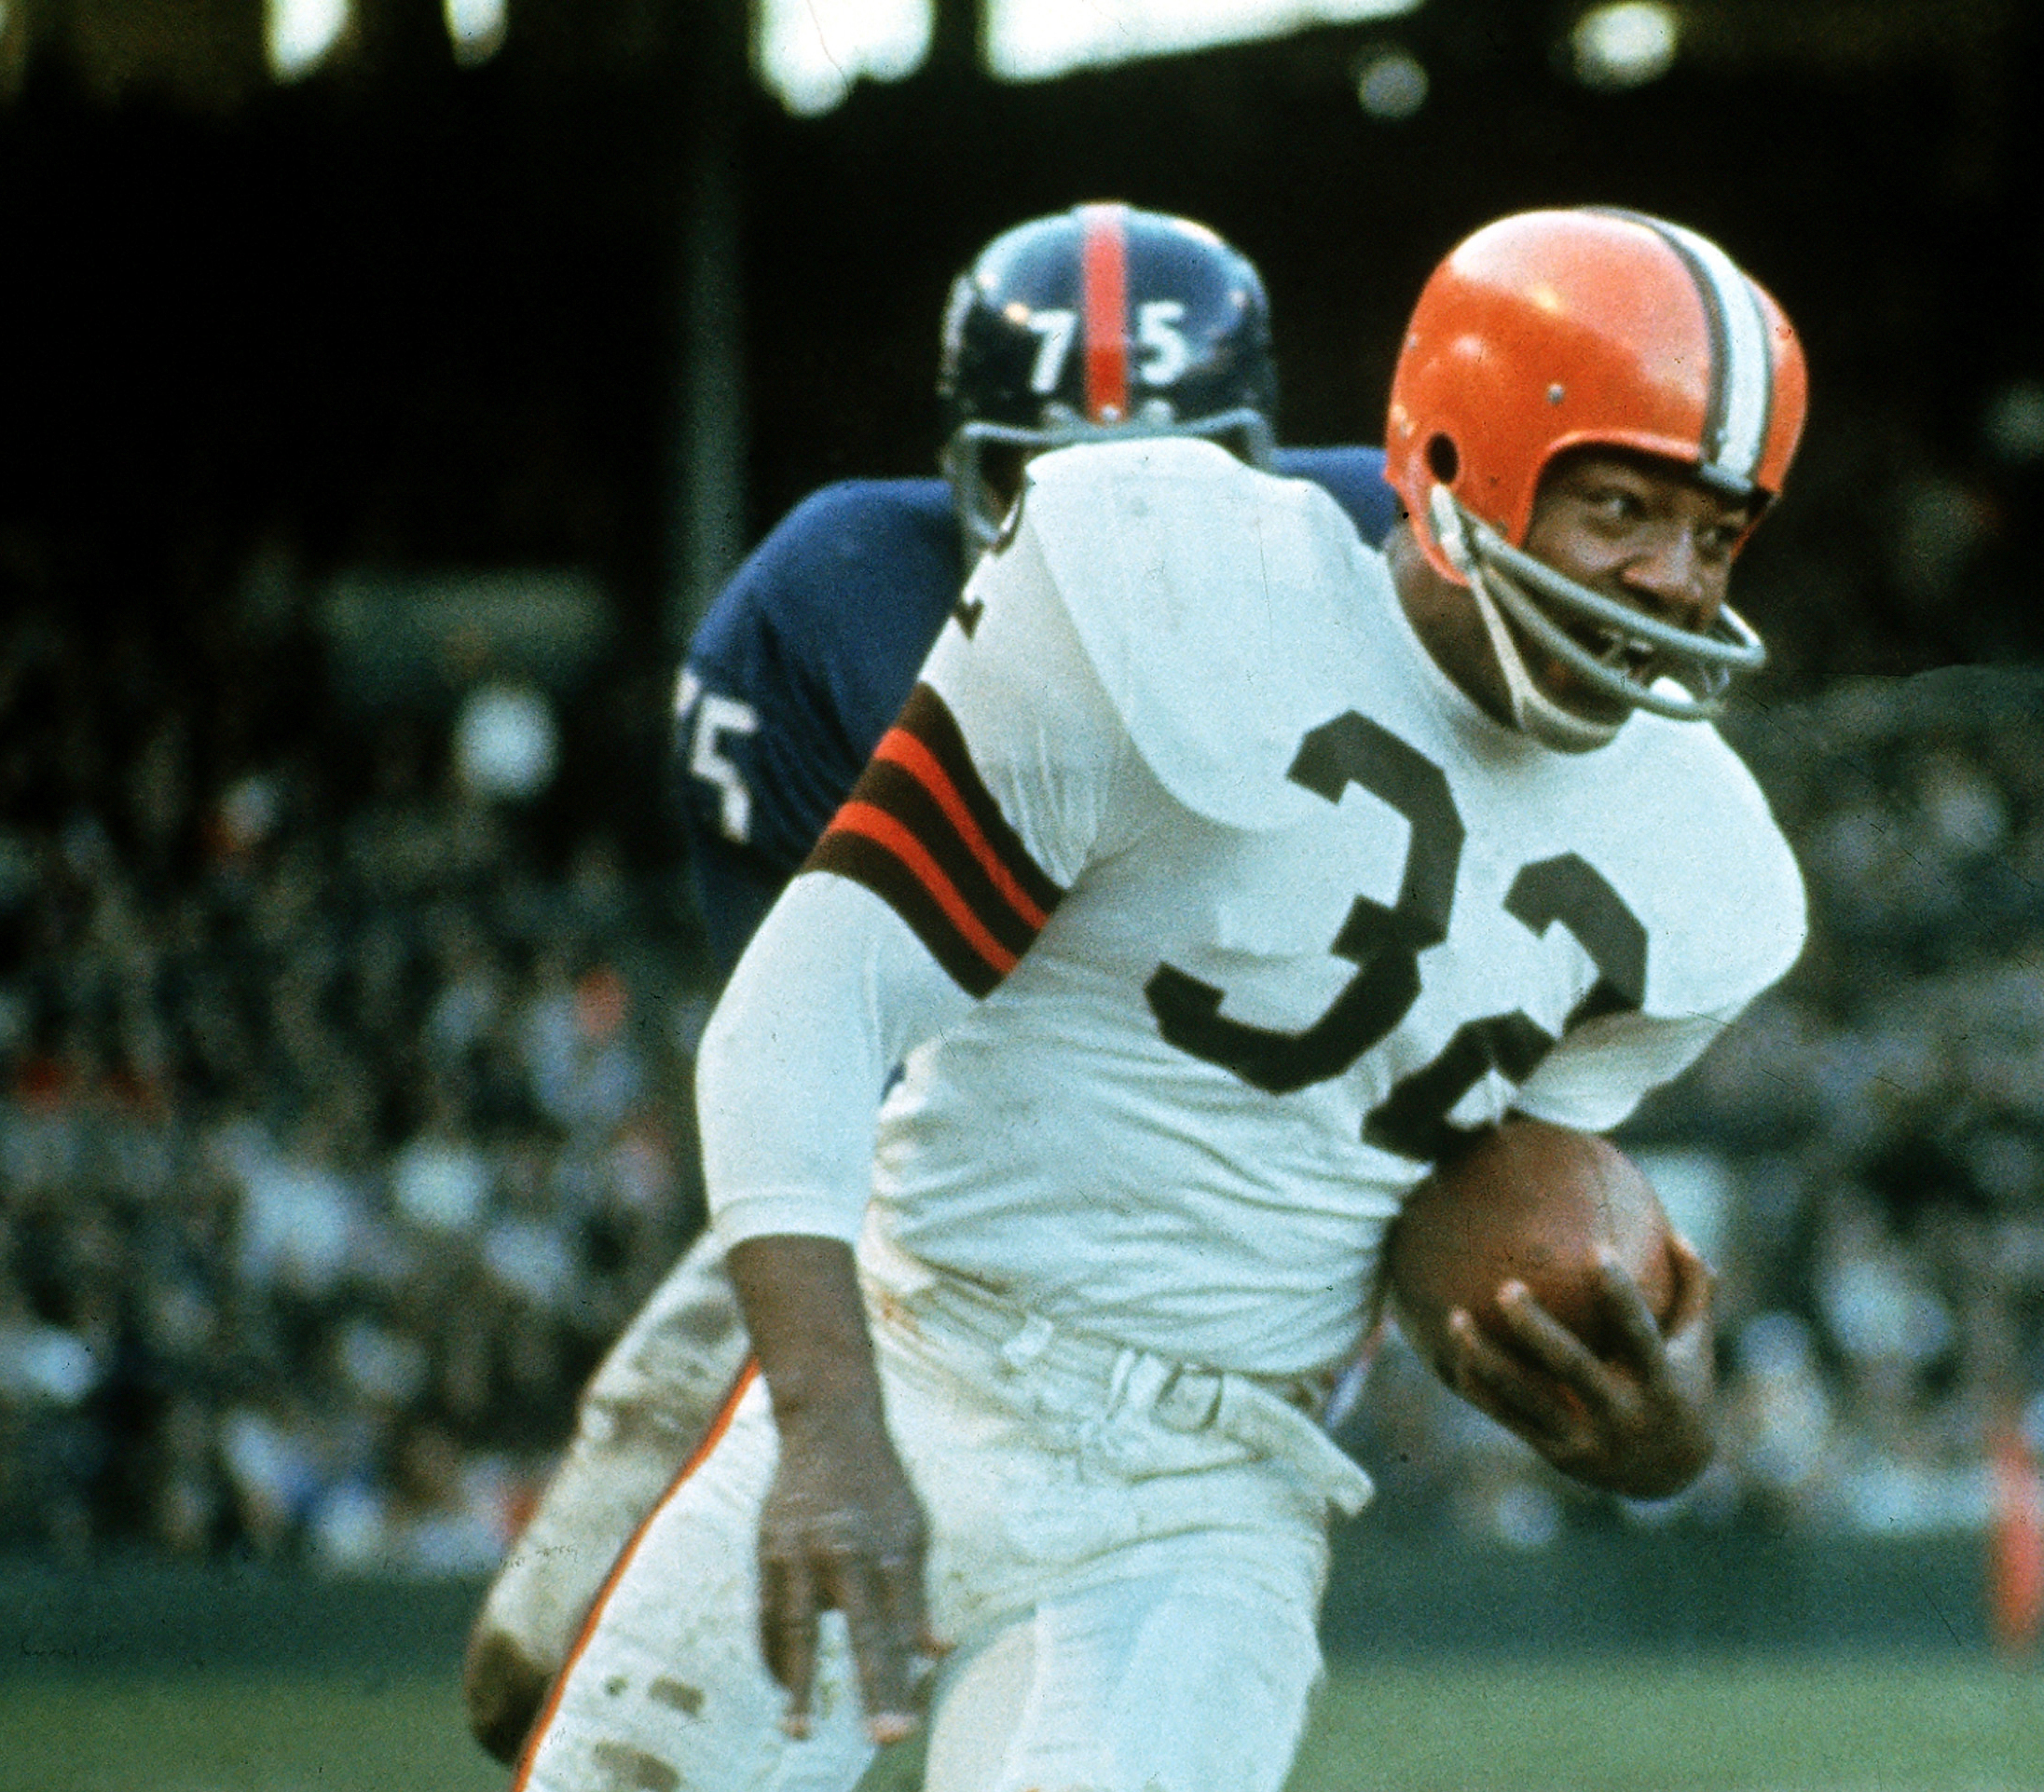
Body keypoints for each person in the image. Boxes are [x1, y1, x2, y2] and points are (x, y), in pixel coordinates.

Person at [512, 205, 1810, 1792]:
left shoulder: (1704, 867)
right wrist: (829, 1430)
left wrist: (1659, 1435)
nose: (1671, 582)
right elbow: (804, 1013)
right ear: (1456, 457)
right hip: (915, 1350)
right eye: (1622, 507)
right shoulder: (1162, 578)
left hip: (1207, 1498)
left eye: (1716, 536)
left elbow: (1464, 1222)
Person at [461, 202, 1399, 1766]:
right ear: (965, 473)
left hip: (1193, 1246)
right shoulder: (827, 606)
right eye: (1049, 481)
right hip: (898, 1189)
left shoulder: (1388, 569)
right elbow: (811, 1042)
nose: (1119, 531)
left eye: (1176, 475)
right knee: (536, 1658)